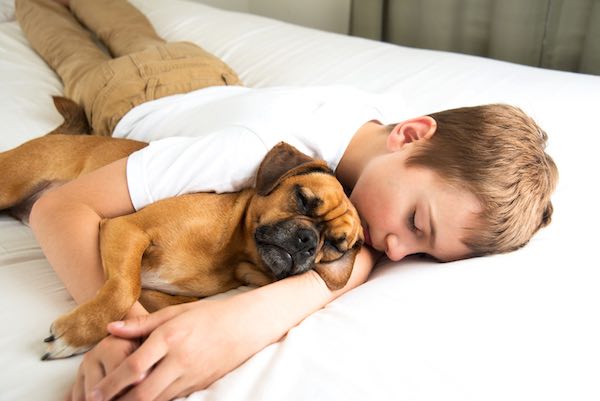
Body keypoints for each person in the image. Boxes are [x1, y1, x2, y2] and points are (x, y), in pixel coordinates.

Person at [15, 0, 558, 400]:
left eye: (421, 250)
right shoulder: (248, 151)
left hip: (216, 80)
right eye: (416, 222)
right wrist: (118, 329)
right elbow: (59, 208)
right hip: (133, 95)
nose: (395, 248)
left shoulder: (387, 128)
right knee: (64, 31)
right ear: (412, 135)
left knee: (131, 25)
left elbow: (355, 249)